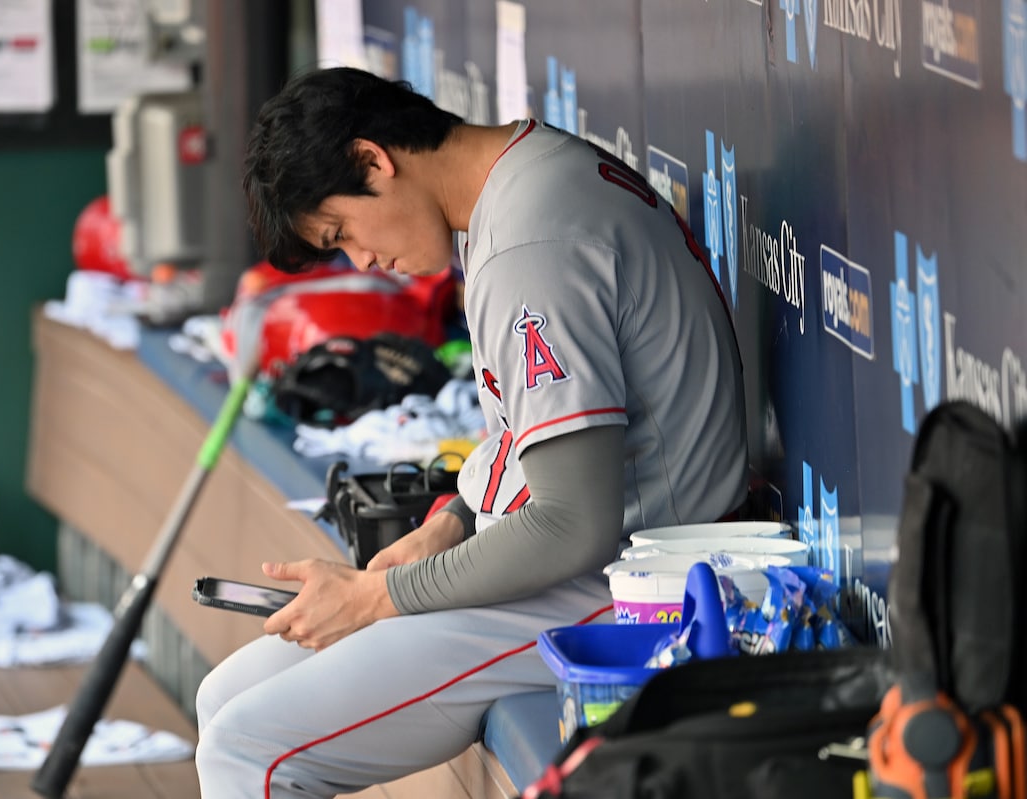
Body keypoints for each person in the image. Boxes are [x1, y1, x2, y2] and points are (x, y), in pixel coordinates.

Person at [195, 66, 748, 798]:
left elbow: (574, 525)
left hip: (639, 586)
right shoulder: (523, 178)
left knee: (247, 748)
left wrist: (374, 598)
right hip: (580, 562)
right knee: (221, 702)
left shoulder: (530, 240)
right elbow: (531, 447)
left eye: (343, 233)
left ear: (372, 160)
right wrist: (449, 523)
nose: (362, 262)